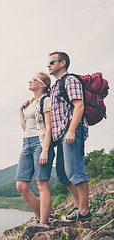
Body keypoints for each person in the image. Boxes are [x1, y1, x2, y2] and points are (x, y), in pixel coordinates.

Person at [48, 51, 92, 222]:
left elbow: (79, 105)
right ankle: (78, 206)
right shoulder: (55, 86)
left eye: (52, 62)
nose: (49, 65)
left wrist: (72, 130)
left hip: (71, 130)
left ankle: (84, 212)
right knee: (62, 174)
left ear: (62, 63)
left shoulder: (70, 80)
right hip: (61, 135)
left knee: (75, 172)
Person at [16, 72, 55, 225]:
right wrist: (21, 111)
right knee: (21, 186)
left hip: (40, 143)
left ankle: (43, 223)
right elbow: (25, 127)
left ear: (42, 84)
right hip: (27, 142)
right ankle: (41, 218)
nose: (30, 81)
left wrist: (45, 149)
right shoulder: (31, 103)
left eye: (34, 80)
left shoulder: (46, 101)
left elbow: (49, 127)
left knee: (41, 184)